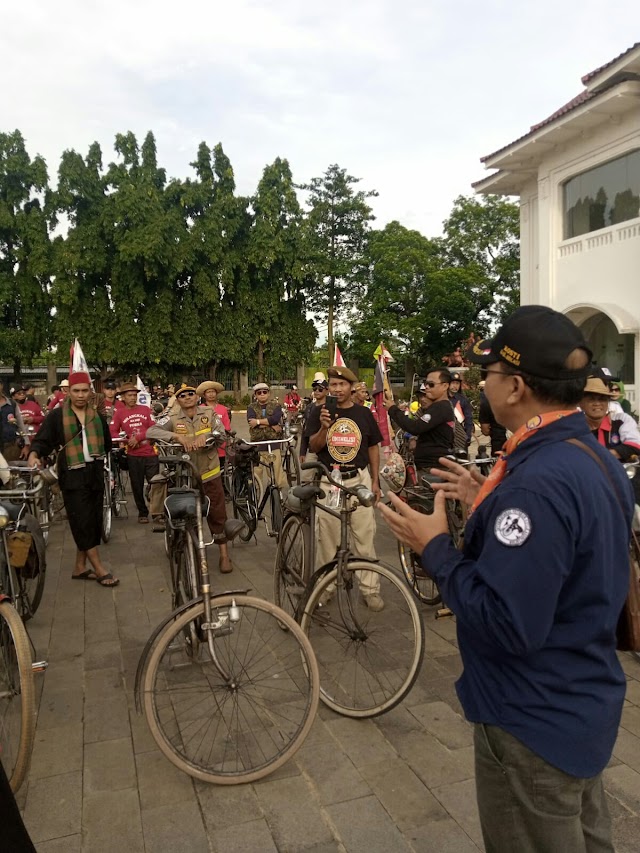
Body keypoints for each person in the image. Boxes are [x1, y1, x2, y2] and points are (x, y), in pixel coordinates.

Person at [380, 305, 633, 853]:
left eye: (488, 374)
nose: (477, 383)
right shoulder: (591, 456)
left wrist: (435, 548)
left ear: (516, 386)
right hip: (579, 701)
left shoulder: (535, 483)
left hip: (531, 722)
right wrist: (487, 500)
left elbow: (509, 623)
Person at [28, 371, 119, 586]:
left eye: (84, 391)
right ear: (68, 392)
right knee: (81, 520)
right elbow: (42, 440)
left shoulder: (97, 416)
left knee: (94, 520)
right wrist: (34, 454)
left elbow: (107, 443)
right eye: (76, 391)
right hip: (71, 474)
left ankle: (79, 567)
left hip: (95, 472)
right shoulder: (57, 416)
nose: (80, 395)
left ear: (90, 392)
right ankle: (99, 569)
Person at [307, 365, 384, 610]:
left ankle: (370, 589)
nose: (337, 389)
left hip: (358, 480)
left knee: (364, 536)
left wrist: (374, 480)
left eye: (342, 385)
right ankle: (325, 588)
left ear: (351, 387)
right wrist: (323, 427)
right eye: (333, 385)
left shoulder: (364, 414)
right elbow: (313, 447)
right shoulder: (319, 412)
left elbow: (373, 446)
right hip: (331, 482)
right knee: (327, 539)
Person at [146, 383, 234, 573]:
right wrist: (177, 437)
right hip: (184, 474)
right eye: (182, 395)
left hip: (209, 472)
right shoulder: (172, 417)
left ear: (197, 396)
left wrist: (209, 435)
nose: (187, 397)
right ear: (178, 400)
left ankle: (224, 555)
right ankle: (187, 545)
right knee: (186, 515)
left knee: (218, 513)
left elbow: (221, 433)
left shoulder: (209, 413)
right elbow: (151, 431)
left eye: (190, 394)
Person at [384, 370, 454, 479]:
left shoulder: (440, 407)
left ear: (445, 386)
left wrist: (393, 409)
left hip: (435, 469)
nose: (427, 387)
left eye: (431, 384)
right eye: (426, 384)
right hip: (431, 467)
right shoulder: (437, 407)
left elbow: (415, 427)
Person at [110, 382, 161, 524]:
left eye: (134, 395)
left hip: (150, 452)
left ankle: (157, 513)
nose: (133, 398)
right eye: (129, 395)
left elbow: (153, 428)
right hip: (133, 455)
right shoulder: (119, 413)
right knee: (136, 485)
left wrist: (138, 437)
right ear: (123, 398)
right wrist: (126, 440)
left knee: (155, 483)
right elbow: (112, 431)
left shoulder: (145, 410)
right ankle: (142, 512)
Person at [580, 375, 640, 461]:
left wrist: (599, 457)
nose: (597, 403)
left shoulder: (621, 420)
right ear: (581, 404)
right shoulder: (575, 426)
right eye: (591, 399)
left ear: (608, 402)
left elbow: (636, 445)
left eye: (602, 399)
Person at [247, 382, 287, 491]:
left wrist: (258, 422)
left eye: (265, 392)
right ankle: (256, 497)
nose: (262, 394)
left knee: (276, 473)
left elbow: (275, 419)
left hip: (273, 443)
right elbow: (251, 422)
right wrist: (271, 425)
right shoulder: (251, 407)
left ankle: (278, 497)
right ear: (255, 395)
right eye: (259, 393)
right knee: (256, 473)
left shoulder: (276, 406)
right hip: (257, 444)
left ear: (269, 393)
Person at [196, 381, 231, 463]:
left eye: (213, 392)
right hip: (205, 446)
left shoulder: (223, 409)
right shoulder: (199, 409)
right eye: (208, 392)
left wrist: (228, 443)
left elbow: (227, 427)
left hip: (221, 446)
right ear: (204, 395)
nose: (211, 394)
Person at [300, 373, 328, 468]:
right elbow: (305, 430)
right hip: (312, 450)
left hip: (327, 450)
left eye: (320, 389)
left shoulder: (331, 407)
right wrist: (302, 452)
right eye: (314, 389)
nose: (317, 391)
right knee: (306, 478)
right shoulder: (309, 408)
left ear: (327, 390)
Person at [0, 379, 30, 461]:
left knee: (13, 472)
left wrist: (26, 444)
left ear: (1, 386)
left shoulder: (12, 404)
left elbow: (21, 425)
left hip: (10, 446)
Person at [479, 382, 508, 456]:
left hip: (499, 446)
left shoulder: (487, 402)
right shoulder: (520, 398)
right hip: (521, 443)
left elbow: (485, 430)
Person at [449, 372, 474, 446]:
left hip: (460, 434)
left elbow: (468, 419)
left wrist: (468, 436)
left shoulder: (463, 400)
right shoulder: (443, 398)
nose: (455, 386)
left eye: (457, 383)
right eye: (453, 383)